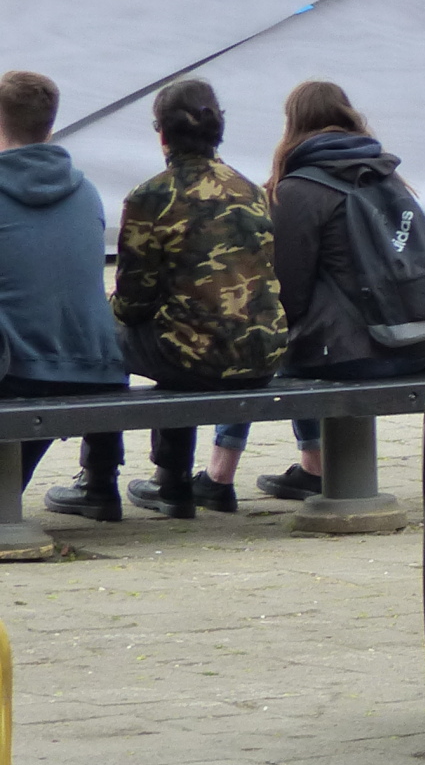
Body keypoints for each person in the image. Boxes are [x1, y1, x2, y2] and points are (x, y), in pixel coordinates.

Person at [207, 81, 425, 503]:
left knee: (265, 343)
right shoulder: (387, 174)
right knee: (306, 337)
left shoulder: (298, 189)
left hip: (360, 357)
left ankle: (220, 475)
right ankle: (310, 466)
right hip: (423, 344)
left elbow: (287, 297)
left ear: (293, 125)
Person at [91, 79, 286, 520]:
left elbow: (133, 303)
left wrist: (109, 310)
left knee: (104, 332)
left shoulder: (150, 197)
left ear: (161, 132)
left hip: (197, 360)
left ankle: (102, 480)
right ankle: (171, 482)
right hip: (263, 353)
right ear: (219, 128)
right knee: (183, 324)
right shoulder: (252, 191)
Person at [0, 71, 129, 516]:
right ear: (50, 125)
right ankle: (101, 481)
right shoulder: (86, 191)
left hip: (19, 369)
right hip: (95, 365)